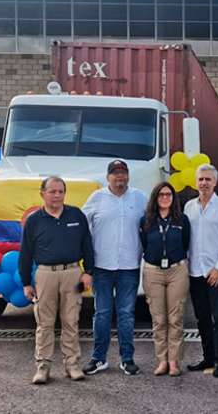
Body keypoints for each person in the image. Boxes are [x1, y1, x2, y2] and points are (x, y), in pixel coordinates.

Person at [20, 176, 94, 384]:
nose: (57, 195)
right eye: (52, 191)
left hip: (72, 273)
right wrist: (26, 282)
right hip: (45, 275)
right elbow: (25, 254)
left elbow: (87, 245)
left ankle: (72, 365)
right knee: (45, 324)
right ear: (42, 193)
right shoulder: (34, 221)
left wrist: (88, 271)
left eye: (61, 191)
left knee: (71, 321)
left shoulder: (76, 215)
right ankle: (43, 367)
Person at [82, 160, 148, 376]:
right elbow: (83, 228)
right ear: (107, 177)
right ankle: (98, 358)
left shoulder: (140, 198)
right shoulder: (96, 198)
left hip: (129, 266)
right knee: (101, 313)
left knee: (126, 314)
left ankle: (127, 358)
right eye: (115, 173)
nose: (119, 177)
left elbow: (152, 224)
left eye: (123, 173)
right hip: (101, 266)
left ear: (128, 176)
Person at [183, 164, 218, 378]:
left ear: (215, 182)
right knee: (202, 318)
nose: (204, 183)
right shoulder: (188, 207)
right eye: (201, 179)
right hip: (195, 271)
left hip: (217, 273)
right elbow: (186, 239)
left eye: (208, 179)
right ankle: (208, 357)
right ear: (196, 182)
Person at [139, 182, 191, 377]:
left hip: (176, 271)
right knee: (159, 320)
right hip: (153, 272)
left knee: (175, 318)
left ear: (173, 197)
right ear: (155, 197)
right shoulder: (146, 220)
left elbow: (186, 243)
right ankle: (161, 360)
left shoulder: (182, 220)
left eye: (168, 194)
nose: (165, 198)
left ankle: (174, 361)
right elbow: (144, 244)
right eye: (161, 194)